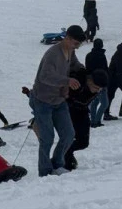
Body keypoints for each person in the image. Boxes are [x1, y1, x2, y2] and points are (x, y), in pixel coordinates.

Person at [29, 24, 85, 176]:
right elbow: (45, 77)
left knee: (68, 134)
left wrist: (84, 71)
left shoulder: (70, 50)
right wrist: (67, 81)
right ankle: (45, 171)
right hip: (42, 101)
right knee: (47, 138)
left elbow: (74, 64)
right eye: (75, 43)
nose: (77, 47)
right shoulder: (52, 54)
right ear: (67, 38)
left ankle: (57, 164)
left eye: (79, 45)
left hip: (59, 100)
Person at [65, 66, 94, 169]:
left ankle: (67, 153)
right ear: (90, 81)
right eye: (96, 87)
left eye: (99, 89)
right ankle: (65, 158)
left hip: (82, 113)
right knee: (68, 138)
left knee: (83, 142)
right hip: (70, 113)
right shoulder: (78, 84)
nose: (97, 90)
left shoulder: (93, 91)